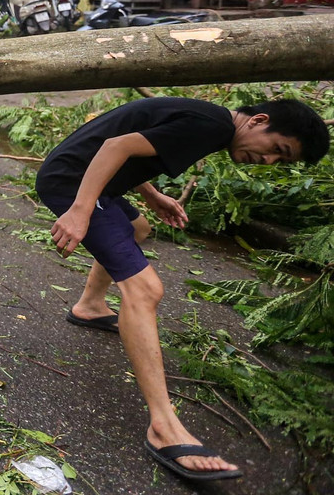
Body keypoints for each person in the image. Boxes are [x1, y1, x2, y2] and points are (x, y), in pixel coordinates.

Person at [35, 97, 329, 482]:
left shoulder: (211, 122)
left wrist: (152, 196)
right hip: (71, 181)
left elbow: (126, 141)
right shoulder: (211, 128)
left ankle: (89, 306)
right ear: (259, 121)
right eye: (277, 150)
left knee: (139, 229)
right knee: (145, 291)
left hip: (85, 176)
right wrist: (80, 209)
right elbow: (114, 147)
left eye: (282, 161)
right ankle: (163, 427)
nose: (270, 162)